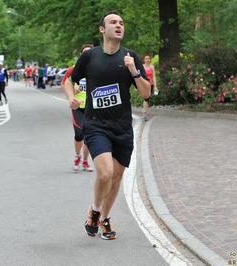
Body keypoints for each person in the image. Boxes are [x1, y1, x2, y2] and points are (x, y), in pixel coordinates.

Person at [64, 11, 150, 240]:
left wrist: (134, 71)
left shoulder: (130, 56)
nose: (118, 25)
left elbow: (146, 92)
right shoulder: (90, 57)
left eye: (121, 22)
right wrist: (70, 96)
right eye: (113, 22)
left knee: (116, 178)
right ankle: (94, 210)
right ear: (103, 29)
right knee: (105, 174)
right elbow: (70, 81)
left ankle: (104, 218)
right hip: (96, 124)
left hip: (122, 127)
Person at [62, 44, 94, 172]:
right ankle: (77, 156)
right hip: (78, 106)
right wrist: (72, 92)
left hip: (92, 107)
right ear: (81, 55)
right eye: (84, 53)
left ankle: (86, 162)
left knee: (89, 136)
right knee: (79, 134)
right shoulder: (73, 69)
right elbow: (64, 84)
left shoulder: (97, 69)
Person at [141, 54, 159, 121]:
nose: (147, 60)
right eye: (146, 58)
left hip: (150, 84)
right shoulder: (142, 67)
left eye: (148, 58)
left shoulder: (152, 67)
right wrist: (137, 86)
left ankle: (145, 114)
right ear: (144, 60)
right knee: (146, 98)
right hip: (144, 84)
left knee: (147, 99)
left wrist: (155, 86)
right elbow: (139, 76)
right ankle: (144, 115)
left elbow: (154, 77)